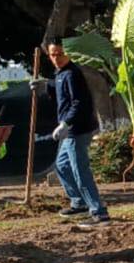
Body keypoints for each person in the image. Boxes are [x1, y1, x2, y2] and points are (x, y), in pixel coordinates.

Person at [44, 41, 109, 224]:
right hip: (70, 130)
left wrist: (65, 123)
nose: (56, 58)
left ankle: (99, 212)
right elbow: (58, 93)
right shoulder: (60, 74)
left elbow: (79, 103)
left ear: (68, 54)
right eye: (53, 54)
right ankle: (79, 203)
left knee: (80, 170)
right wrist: (45, 85)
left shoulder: (73, 74)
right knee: (62, 165)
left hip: (77, 129)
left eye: (60, 54)